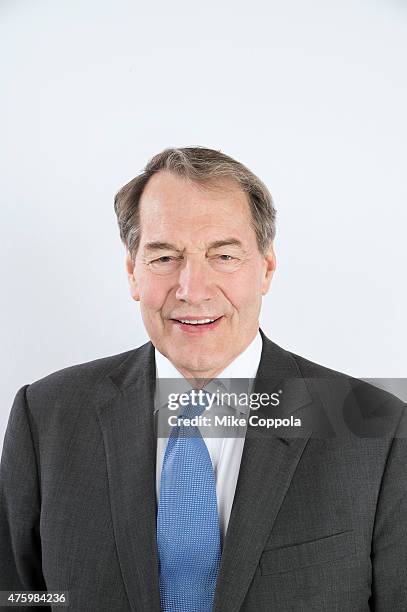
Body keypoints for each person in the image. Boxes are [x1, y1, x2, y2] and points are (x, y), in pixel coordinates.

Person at [0, 146, 406, 612]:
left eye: (225, 255)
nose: (192, 289)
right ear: (133, 271)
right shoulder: (45, 416)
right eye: (164, 257)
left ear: (266, 268)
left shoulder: (378, 428)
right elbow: (17, 596)